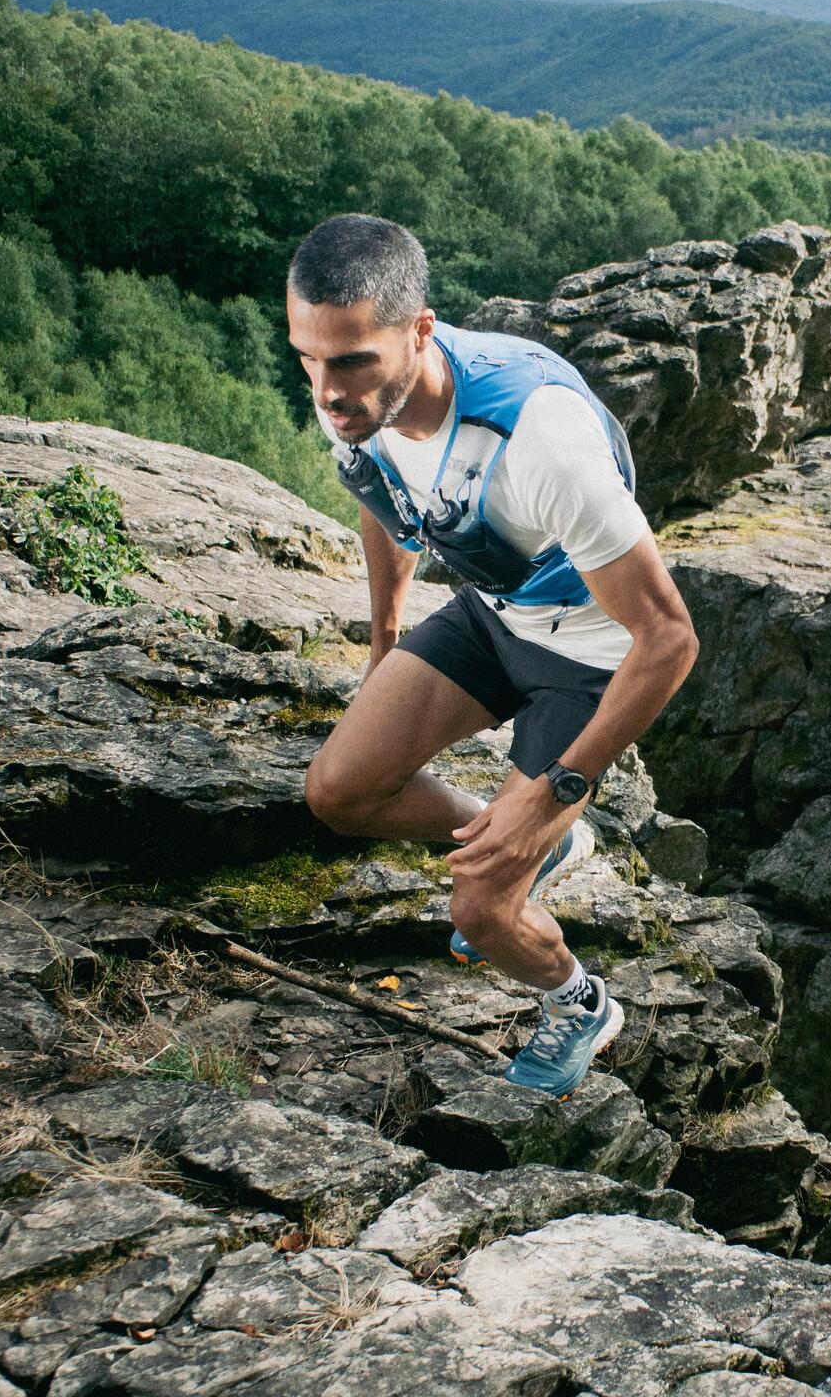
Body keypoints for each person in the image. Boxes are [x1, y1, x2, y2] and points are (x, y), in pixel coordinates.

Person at [287, 213, 698, 1100]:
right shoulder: (358, 397)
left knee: (478, 907)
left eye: (351, 360)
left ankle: (580, 1003)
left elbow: (669, 639)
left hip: (593, 654)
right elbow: (381, 491)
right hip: (494, 616)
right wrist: (386, 640)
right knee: (339, 792)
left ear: (420, 330)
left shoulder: (539, 438)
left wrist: (552, 793)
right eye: (308, 358)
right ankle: (536, 842)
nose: (327, 390)